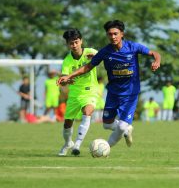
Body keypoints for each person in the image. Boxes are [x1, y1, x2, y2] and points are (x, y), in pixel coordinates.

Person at [58, 20, 161, 149]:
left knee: (122, 125)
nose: (113, 37)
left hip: (130, 93)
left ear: (122, 34)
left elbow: (154, 53)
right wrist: (69, 76)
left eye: (115, 33)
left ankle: (105, 147)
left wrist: (157, 60)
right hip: (113, 92)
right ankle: (126, 130)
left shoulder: (133, 47)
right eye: (110, 34)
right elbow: (88, 67)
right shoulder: (105, 52)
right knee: (107, 124)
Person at [57, 28, 99, 156]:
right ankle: (68, 143)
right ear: (67, 44)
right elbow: (65, 77)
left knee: (88, 111)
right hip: (75, 94)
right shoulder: (67, 61)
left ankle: (77, 144)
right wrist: (64, 81)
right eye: (71, 43)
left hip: (90, 90)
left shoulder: (90, 52)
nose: (74, 45)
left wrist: (97, 57)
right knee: (68, 122)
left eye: (76, 42)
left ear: (81, 41)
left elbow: (106, 56)